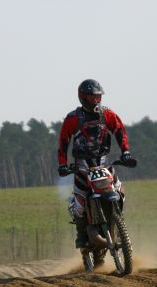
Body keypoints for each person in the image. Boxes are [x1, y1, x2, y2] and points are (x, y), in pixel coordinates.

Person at [57, 79, 133, 248]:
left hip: (105, 165)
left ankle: (117, 221)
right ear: (83, 97)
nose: (97, 100)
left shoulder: (107, 114)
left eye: (99, 97)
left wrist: (125, 152)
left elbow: (120, 131)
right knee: (80, 204)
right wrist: (62, 164)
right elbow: (63, 142)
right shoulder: (73, 118)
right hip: (82, 168)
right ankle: (81, 235)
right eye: (93, 97)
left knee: (119, 190)